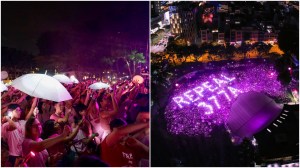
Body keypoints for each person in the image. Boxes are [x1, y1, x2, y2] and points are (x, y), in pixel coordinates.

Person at [1, 98, 37, 167]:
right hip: (11, 156)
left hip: (22, 155)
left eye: (20, 110)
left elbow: (32, 109)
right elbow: (13, 126)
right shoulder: (6, 125)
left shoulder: (21, 122)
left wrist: (36, 97)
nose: (19, 111)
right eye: (17, 110)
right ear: (10, 111)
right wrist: (8, 118)